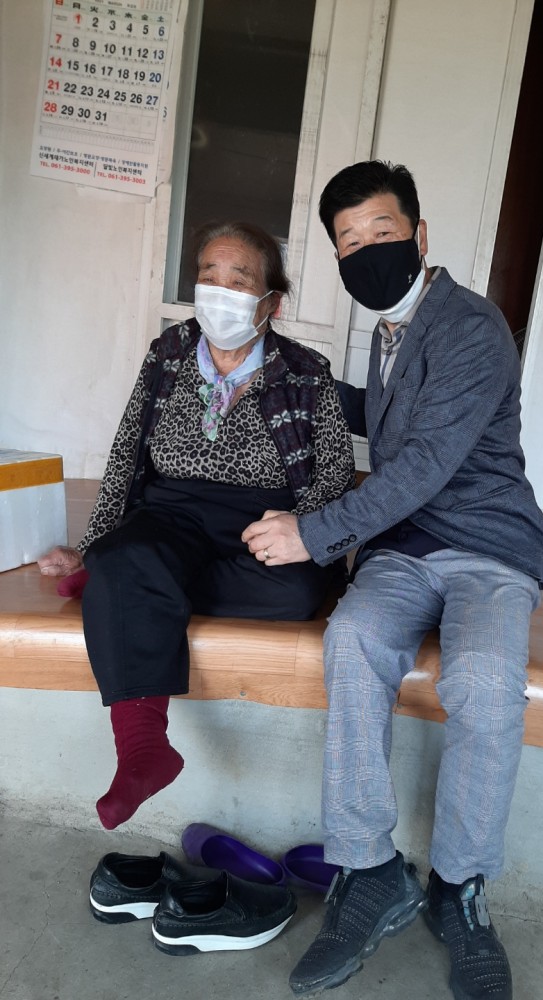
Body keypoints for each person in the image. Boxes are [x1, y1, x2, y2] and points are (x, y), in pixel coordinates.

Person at [244, 162, 543, 1000]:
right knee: (353, 640)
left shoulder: (472, 327)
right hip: (404, 548)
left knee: (485, 679)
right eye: (348, 242)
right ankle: (370, 870)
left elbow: (425, 460)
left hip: (488, 547)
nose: (366, 252)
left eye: (382, 232)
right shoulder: (393, 328)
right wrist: (297, 377)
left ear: (420, 236)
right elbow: (393, 415)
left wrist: (312, 534)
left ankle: (458, 888)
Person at [38, 221, 355, 831]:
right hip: (172, 513)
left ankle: (124, 585)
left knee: (295, 593)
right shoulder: (169, 353)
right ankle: (143, 748)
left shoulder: (305, 370)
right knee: (128, 552)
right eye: (209, 276)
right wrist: (92, 544)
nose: (219, 291)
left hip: (262, 522)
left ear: (271, 302)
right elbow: (127, 452)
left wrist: (300, 527)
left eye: (239, 280)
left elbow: (335, 474)